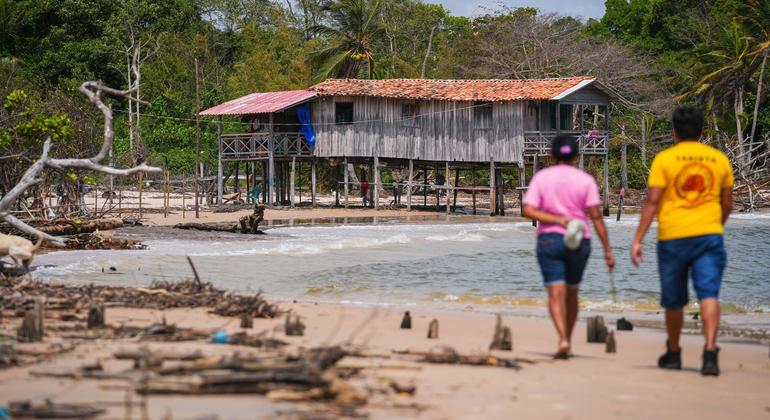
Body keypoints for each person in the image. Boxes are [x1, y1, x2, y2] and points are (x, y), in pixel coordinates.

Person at [631, 107, 733, 376]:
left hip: (673, 237)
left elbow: (652, 202)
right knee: (709, 295)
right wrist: (715, 226)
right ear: (701, 130)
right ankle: (710, 352)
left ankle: (674, 353)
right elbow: (727, 203)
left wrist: (637, 240)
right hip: (709, 236)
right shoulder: (718, 159)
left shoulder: (665, 159)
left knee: (674, 300)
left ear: (674, 131)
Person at [523, 134, 616, 359]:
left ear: (552, 154)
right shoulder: (585, 180)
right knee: (572, 293)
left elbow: (528, 210)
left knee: (555, 294)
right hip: (579, 240)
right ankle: (568, 338)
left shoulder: (542, 178)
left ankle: (563, 339)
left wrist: (555, 220)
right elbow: (596, 217)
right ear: (577, 155)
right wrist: (607, 250)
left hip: (550, 239)